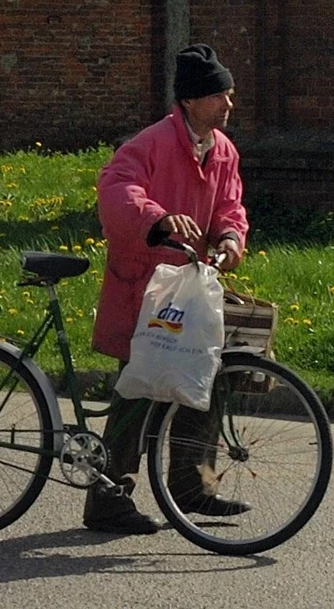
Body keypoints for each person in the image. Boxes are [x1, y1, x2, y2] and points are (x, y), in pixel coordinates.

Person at [84, 43, 251, 534]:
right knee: (139, 390)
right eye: (221, 96)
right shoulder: (152, 143)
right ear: (193, 100)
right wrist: (157, 219)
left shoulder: (222, 150)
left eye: (230, 95)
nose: (228, 106)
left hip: (189, 289)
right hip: (146, 291)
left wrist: (229, 238)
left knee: (208, 378)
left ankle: (191, 488)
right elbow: (116, 189)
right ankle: (107, 498)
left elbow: (230, 206)